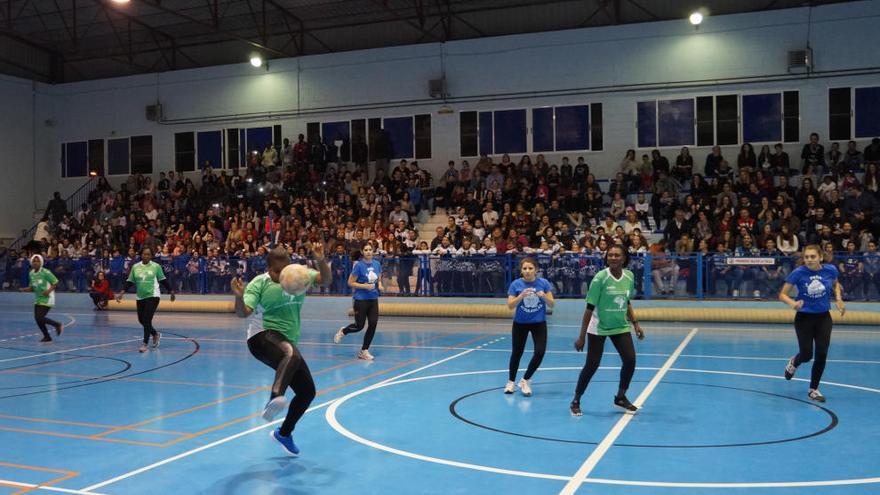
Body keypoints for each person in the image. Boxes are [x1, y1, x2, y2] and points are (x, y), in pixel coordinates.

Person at [231, 243, 331, 456]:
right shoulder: (260, 283)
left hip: (287, 341)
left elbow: (327, 280)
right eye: (277, 272)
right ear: (268, 268)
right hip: (261, 338)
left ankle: (284, 433)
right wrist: (239, 296)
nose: (282, 275)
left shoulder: (298, 275)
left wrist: (321, 259)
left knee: (307, 392)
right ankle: (275, 397)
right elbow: (243, 313)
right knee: (291, 354)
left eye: (284, 270)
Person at [570, 245, 645, 416]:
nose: (613, 257)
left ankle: (620, 396)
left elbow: (626, 302)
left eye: (617, 255)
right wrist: (582, 337)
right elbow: (589, 309)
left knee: (630, 360)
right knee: (592, 365)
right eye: (610, 255)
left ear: (624, 258)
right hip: (599, 326)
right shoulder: (600, 278)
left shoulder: (629, 276)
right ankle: (576, 399)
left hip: (619, 325)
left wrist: (635, 324)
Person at [778, 244, 845, 402]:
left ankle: (813, 389)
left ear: (820, 257)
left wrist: (839, 299)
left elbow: (836, 284)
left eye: (812, 256)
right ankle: (794, 361)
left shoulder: (830, 270)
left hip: (823, 318)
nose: (809, 260)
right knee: (807, 354)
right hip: (804, 318)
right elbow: (782, 294)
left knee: (821, 354)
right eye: (806, 257)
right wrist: (792, 303)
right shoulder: (798, 273)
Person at [504, 258, 555, 396]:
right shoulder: (516, 284)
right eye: (525, 268)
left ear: (536, 270)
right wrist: (521, 295)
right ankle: (510, 382)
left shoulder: (543, 283)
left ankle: (525, 380)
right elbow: (510, 306)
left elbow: (552, 304)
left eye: (530, 268)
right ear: (521, 270)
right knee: (517, 353)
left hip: (539, 323)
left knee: (540, 352)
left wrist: (543, 295)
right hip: (520, 323)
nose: (527, 271)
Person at [116, 247, 176, 353]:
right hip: (140, 296)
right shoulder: (135, 267)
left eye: (148, 254)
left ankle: (144, 344)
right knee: (141, 320)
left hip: (153, 295)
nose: (146, 256)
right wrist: (122, 292)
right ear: (141, 255)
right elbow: (130, 281)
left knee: (147, 319)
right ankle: (155, 334)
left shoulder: (156, 266)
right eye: (144, 254)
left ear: (151, 256)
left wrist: (171, 291)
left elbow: (163, 280)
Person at [334, 244, 384, 360]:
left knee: (373, 324)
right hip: (360, 299)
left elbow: (379, 278)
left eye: (370, 250)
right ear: (362, 252)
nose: (368, 252)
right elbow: (350, 282)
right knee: (359, 326)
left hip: (373, 299)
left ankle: (364, 351)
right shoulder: (358, 266)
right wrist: (364, 286)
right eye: (365, 250)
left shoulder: (377, 264)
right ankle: (344, 331)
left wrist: (380, 285)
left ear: (373, 251)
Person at [19, 255, 63, 342]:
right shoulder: (31, 273)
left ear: (41, 262)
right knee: (38, 319)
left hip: (48, 298)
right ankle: (47, 336)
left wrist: (48, 291)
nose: (35, 263)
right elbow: (32, 287)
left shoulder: (46, 272)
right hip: (38, 298)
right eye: (34, 261)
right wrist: (23, 289)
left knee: (39, 318)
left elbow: (55, 282)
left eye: (37, 261)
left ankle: (57, 324)